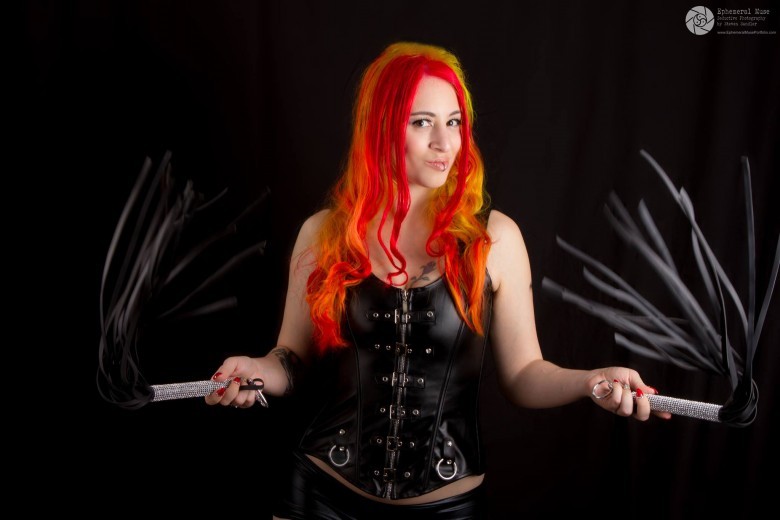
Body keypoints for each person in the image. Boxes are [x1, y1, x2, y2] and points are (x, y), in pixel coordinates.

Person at [205, 42, 669, 519]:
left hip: (447, 508)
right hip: (320, 495)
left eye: (454, 122)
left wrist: (591, 381)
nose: (445, 143)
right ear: (381, 127)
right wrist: (253, 370)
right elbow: (292, 360)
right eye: (422, 122)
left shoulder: (494, 239)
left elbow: (524, 375)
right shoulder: (324, 233)